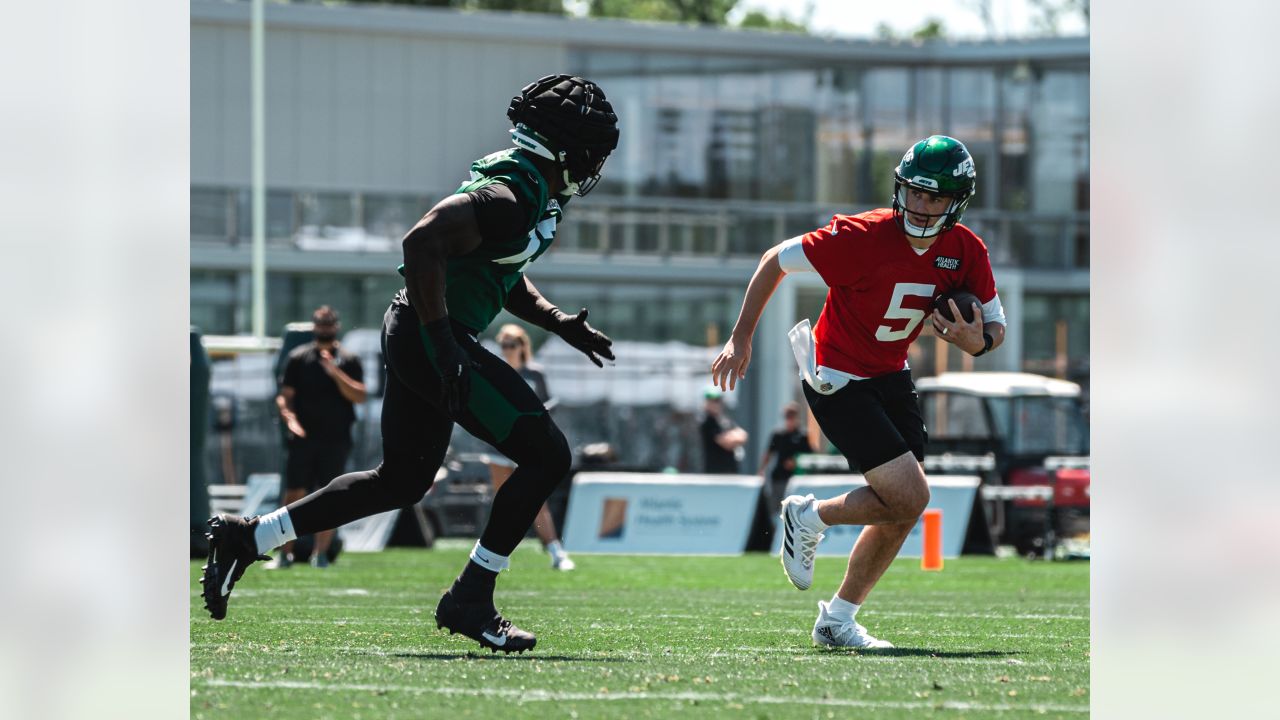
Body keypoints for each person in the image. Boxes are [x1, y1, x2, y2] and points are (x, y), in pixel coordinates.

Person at [200, 74, 620, 655]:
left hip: (416, 331)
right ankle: (471, 597)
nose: (595, 163)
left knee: (400, 479)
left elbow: (501, 266)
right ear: (569, 149)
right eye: (593, 150)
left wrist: (558, 322)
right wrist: (446, 347)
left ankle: (250, 538)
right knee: (547, 455)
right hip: (431, 336)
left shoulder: (523, 191)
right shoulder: (512, 195)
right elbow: (421, 242)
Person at [711, 135, 1007, 649]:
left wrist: (975, 341)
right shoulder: (860, 236)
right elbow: (773, 261)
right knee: (911, 494)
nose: (920, 205)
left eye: (934, 197)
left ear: (956, 201)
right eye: (914, 192)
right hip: (836, 376)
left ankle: (837, 620)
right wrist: (740, 338)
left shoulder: (964, 249)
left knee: (904, 505)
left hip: (891, 374)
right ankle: (808, 516)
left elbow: (995, 325)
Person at [272, 306, 367, 568]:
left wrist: (334, 372)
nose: (325, 328)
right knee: (294, 493)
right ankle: (285, 553)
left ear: (336, 326)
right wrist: (290, 419)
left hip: (336, 439)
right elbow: (285, 396)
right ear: (314, 326)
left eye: (329, 324)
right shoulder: (298, 357)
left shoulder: (349, 360)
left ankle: (321, 553)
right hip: (304, 438)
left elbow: (359, 396)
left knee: (331, 496)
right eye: (320, 324)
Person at [485, 323, 575, 571]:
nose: (508, 350)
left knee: (535, 500)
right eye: (504, 345)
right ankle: (497, 554)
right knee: (502, 501)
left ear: (522, 346)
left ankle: (555, 550)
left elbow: (547, 405)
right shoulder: (496, 371)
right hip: (500, 446)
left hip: (528, 447)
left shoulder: (535, 374)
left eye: (512, 344)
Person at [699, 387, 748, 474]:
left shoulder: (725, 420)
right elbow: (726, 443)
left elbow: (743, 435)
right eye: (711, 401)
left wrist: (731, 437)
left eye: (717, 401)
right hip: (714, 472)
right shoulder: (707, 422)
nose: (714, 404)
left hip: (731, 471)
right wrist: (732, 436)